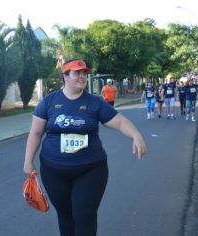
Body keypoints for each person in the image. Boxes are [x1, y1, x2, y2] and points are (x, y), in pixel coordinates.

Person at [23, 58, 147, 236]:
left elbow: (119, 122)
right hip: (53, 171)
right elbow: (35, 133)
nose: (82, 76)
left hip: (90, 170)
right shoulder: (48, 102)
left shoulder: (94, 102)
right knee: (65, 216)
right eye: (77, 72)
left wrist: (136, 135)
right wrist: (28, 161)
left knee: (84, 216)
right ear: (65, 76)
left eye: (84, 73)